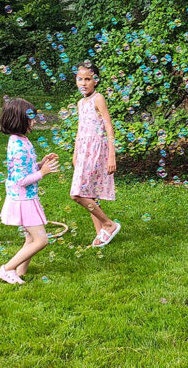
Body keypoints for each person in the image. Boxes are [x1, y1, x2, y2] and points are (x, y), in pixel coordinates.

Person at [0, 97, 60, 284]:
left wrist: (41, 163)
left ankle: (20, 272)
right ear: (19, 119)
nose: (33, 121)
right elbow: (22, 179)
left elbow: (25, 169)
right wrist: (43, 172)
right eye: (30, 117)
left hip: (26, 197)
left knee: (31, 238)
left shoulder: (21, 140)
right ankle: (6, 269)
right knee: (41, 240)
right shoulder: (19, 146)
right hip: (23, 199)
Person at [70, 62, 120, 247]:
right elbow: (80, 129)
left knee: (77, 194)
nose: (83, 83)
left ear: (95, 81)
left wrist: (111, 155)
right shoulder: (80, 103)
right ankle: (100, 234)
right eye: (80, 79)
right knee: (89, 193)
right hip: (84, 151)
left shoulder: (98, 99)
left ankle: (109, 225)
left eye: (88, 79)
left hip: (97, 150)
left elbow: (108, 125)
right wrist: (76, 153)